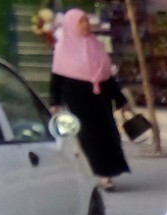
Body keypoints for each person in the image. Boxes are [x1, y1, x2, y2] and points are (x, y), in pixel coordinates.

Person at [49, 9, 131, 191]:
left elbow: (107, 77)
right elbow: (57, 78)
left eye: (86, 21)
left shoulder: (97, 46)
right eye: (81, 22)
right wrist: (55, 102)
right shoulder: (63, 49)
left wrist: (121, 100)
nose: (85, 25)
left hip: (100, 99)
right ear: (71, 25)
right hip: (78, 100)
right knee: (88, 137)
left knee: (109, 135)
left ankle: (108, 172)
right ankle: (101, 174)